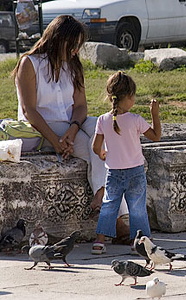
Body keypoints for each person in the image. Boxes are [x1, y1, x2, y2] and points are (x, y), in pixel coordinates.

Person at [11, 15, 128, 234]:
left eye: (78, 46)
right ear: (58, 39)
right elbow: (29, 110)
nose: (76, 50)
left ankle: (102, 194)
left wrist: (73, 130)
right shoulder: (30, 63)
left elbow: (81, 106)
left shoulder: (73, 66)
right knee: (97, 145)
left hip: (71, 126)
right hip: (39, 128)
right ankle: (116, 218)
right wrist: (56, 141)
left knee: (105, 128)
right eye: (73, 44)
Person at [91, 71, 161, 254]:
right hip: (135, 172)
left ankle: (99, 242)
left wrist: (102, 154)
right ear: (129, 96)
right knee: (137, 208)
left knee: (109, 206)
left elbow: (95, 147)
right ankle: (139, 241)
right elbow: (156, 136)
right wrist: (155, 114)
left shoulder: (102, 120)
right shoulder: (135, 119)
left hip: (113, 173)